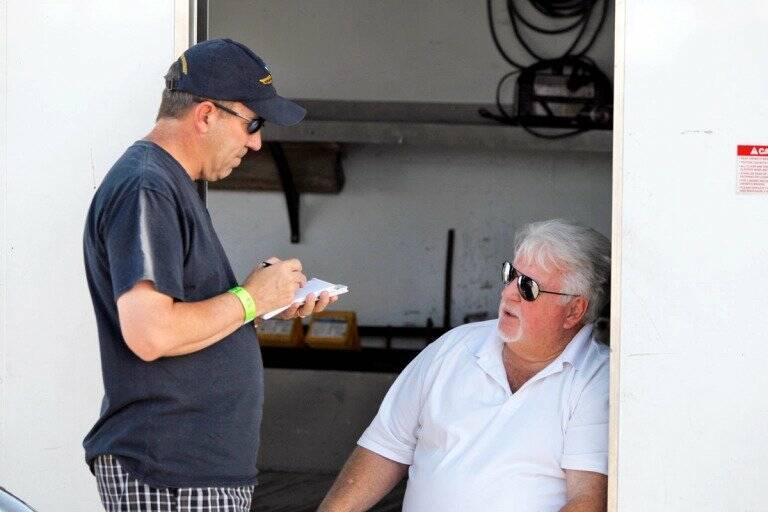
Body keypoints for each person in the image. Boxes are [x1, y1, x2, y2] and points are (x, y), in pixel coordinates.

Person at [82, 38, 336, 512]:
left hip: (187, 472)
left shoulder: (169, 184)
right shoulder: (147, 186)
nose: (257, 142)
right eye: (253, 123)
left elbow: (183, 324)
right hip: (171, 472)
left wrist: (265, 301)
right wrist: (249, 299)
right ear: (205, 115)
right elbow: (150, 333)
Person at [319, 219, 611, 512]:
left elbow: (587, 500)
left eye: (527, 287)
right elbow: (385, 448)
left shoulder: (598, 378)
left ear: (574, 311)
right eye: (510, 275)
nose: (508, 293)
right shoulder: (454, 347)